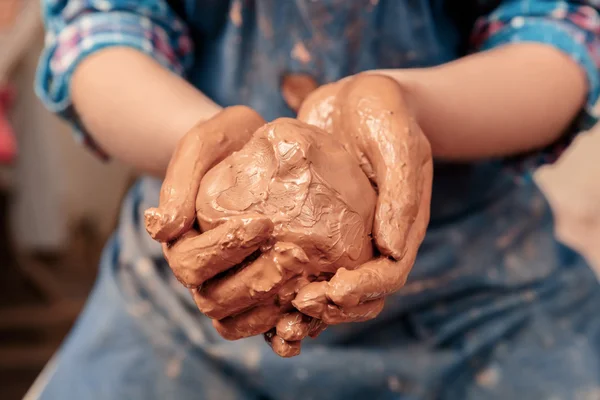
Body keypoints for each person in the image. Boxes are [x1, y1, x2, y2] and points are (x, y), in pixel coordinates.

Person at [34, 0, 600, 398]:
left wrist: (410, 104)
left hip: (481, 294)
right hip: (189, 292)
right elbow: (102, 27)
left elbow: (557, 30)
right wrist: (201, 145)